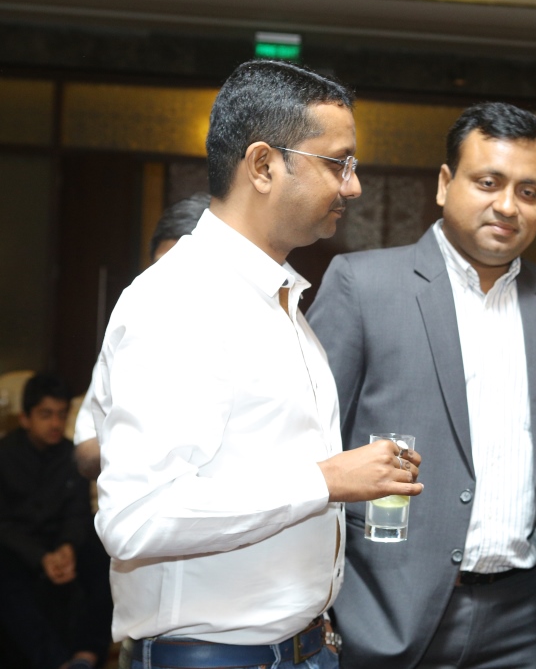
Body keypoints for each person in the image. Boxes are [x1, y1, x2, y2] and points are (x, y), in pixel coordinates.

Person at [90, 59, 422, 669]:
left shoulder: (279, 299)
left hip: (301, 647)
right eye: (338, 163)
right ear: (264, 165)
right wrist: (326, 480)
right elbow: (136, 519)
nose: (352, 186)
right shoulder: (180, 300)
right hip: (213, 656)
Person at [307, 102, 536, 668]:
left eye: (529, 191)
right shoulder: (363, 285)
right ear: (445, 183)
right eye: (488, 182)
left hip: (524, 613)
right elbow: (311, 447)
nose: (508, 205)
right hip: (388, 610)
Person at [73, 192, 211, 480]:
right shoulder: (134, 334)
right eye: (160, 268)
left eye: (184, 270)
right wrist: (137, 440)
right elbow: (85, 452)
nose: (169, 283)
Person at [0, 373, 112, 669]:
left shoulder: (71, 455)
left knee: (104, 554)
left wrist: (67, 547)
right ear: (25, 418)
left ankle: (87, 654)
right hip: (19, 547)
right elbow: (4, 524)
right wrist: (41, 557)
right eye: (46, 414)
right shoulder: (5, 455)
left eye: (61, 414)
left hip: (62, 542)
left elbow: (78, 512)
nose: (55, 423)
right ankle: (58, 662)